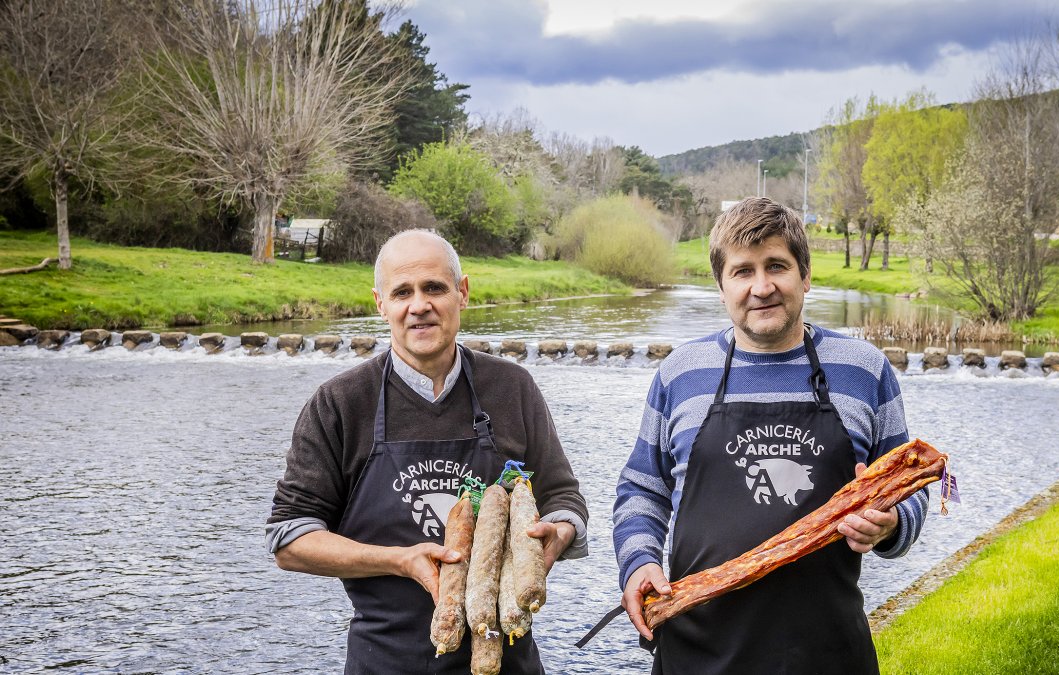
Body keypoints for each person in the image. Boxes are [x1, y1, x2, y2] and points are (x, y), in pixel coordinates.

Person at [612, 198, 928, 674]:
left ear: (805, 275)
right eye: (743, 272)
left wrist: (891, 525)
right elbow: (642, 488)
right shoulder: (682, 373)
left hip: (827, 655)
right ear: (721, 287)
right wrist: (639, 562)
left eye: (777, 266)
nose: (762, 287)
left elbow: (912, 481)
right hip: (697, 654)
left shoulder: (864, 370)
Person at [267, 229, 588, 674]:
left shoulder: (512, 388)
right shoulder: (341, 402)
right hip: (385, 662)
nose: (419, 305)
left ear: (463, 292)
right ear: (381, 304)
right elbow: (290, 539)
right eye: (403, 292)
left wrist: (559, 533)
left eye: (434, 287)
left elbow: (563, 497)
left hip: (506, 660)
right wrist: (398, 561)